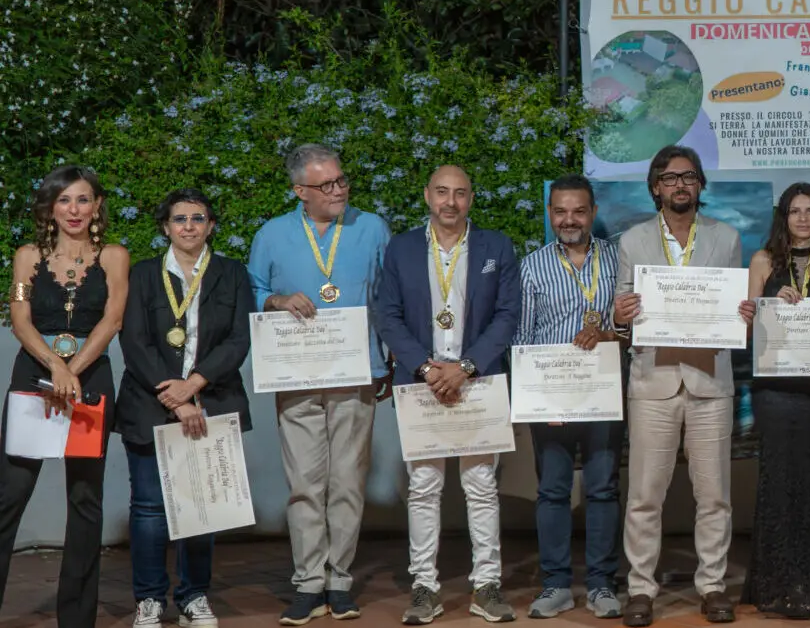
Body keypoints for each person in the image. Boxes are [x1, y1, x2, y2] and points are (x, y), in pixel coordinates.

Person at [247, 143, 391, 625]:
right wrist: (278, 299)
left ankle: (340, 580)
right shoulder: (272, 234)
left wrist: (387, 361)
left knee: (348, 480)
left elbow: (389, 297)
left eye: (342, 181)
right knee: (305, 483)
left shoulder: (371, 228)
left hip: (357, 372)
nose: (339, 191)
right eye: (326, 185)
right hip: (297, 373)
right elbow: (251, 290)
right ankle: (309, 582)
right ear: (300, 192)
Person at [373, 164, 522, 624]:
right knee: (423, 488)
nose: (450, 202)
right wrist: (425, 367)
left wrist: (466, 367)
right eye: (442, 192)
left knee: (481, 487)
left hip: (478, 382)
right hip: (421, 384)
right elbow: (388, 315)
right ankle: (424, 587)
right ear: (427, 196)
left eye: (460, 193)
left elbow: (507, 315)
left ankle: (487, 586)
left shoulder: (496, 246)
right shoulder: (400, 249)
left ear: (471, 199)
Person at [613, 145, 746, 627]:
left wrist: (742, 314)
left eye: (689, 177)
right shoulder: (633, 241)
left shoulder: (727, 237)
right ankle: (641, 590)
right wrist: (619, 315)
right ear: (656, 188)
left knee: (714, 497)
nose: (680, 185)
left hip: (710, 380)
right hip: (654, 382)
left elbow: (732, 304)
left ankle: (712, 586)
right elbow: (621, 312)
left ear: (700, 185)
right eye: (670, 179)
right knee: (645, 495)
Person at [118, 189, 255, 628]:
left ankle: (194, 596)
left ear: (211, 225)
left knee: (203, 507)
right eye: (180, 219)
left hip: (211, 400)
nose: (189, 226)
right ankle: (150, 599)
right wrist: (174, 398)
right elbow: (133, 341)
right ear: (166, 227)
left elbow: (239, 339)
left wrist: (193, 386)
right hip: (149, 404)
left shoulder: (232, 273)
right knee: (149, 509)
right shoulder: (142, 275)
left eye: (198, 218)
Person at [0, 165, 129, 628]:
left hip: (90, 379)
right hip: (34, 376)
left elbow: (112, 320)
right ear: (50, 208)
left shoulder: (114, 256)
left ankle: (76, 618)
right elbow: (20, 319)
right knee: (9, 493)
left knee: (85, 497)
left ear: (96, 206)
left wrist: (74, 371)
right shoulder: (27, 255)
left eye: (83, 200)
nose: (74, 210)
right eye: (64, 201)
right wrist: (56, 367)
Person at [520, 174, 633, 620]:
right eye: (561, 211)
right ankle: (555, 585)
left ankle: (603, 585)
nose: (570, 219)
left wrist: (610, 333)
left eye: (579, 211)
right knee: (552, 491)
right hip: (551, 398)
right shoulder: (531, 267)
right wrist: (535, 399)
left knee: (603, 488)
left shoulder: (618, 261)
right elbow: (521, 339)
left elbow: (630, 328)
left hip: (605, 392)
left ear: (593, 213)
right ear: (550, 214)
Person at [739, 182, 810, 619]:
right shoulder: (764, 261)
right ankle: (775, 586)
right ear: (782, 217)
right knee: (777, 482)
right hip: (776, 391)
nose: (802, 218)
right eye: (793, 210)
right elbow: (747, 331)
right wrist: (767, 303)